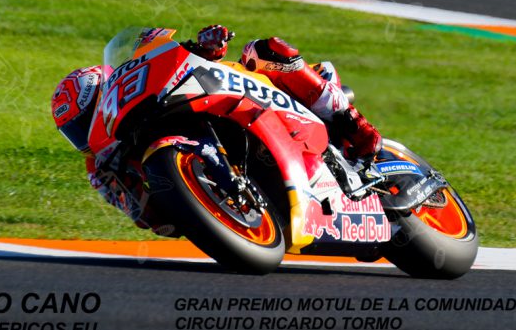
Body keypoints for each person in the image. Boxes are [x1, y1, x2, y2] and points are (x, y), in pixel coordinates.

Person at [51, 25, 381, 231]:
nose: (87, 134)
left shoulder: (141, 88)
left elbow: (188, 57)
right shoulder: (100, 166)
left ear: (106, 92)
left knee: (264, 50)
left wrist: (206, 45)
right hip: (224, 186)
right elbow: (151, 221)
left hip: (250, 93)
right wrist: (168, 205)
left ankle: (356, 125)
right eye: (76, 131)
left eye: (87, 118)